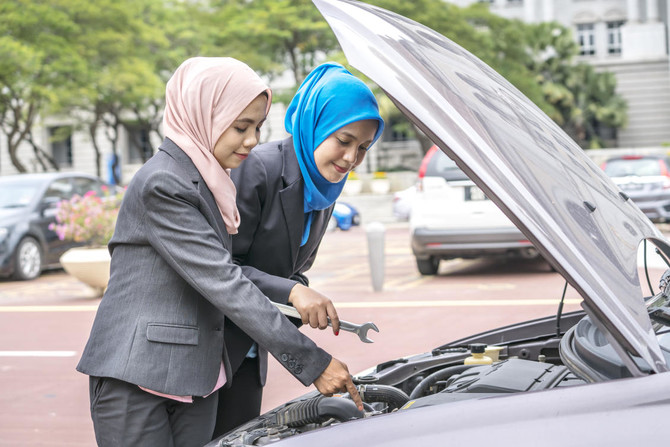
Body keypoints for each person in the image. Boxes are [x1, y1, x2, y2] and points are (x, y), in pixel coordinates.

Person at [76, 57, 362, 447]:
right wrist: (313, 362)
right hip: (138, 378)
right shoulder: (164, 183)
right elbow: (224, 280)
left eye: (258, 127)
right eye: (240, 127)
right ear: (202, 116)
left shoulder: (214, 183)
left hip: (199, 381)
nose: (252, 141)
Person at [213, 62, 384, 437]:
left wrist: (302, 298)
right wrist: (293, 292)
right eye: (344, 139)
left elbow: (292, 270)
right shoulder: (256, 168)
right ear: (316, 123)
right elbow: (217, 267)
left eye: (363, 148)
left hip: (251, 353)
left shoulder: (324, 191)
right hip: (210, 350)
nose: (351, 158)